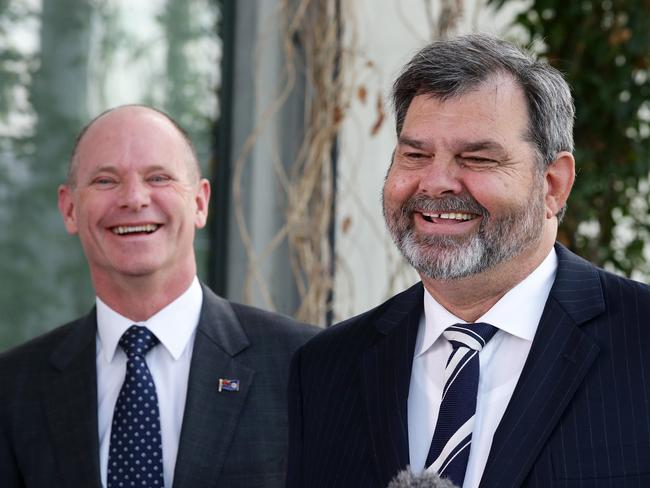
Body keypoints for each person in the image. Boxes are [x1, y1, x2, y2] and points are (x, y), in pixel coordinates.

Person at [287, 34, 650, 488]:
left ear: (553, 185)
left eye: (477, 158)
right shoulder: (324, 368)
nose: (436, 182)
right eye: (415, 154)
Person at [0, 105, 317, 488]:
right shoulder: (14, 388)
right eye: (105, 181)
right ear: (69, 209)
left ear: (199, 203)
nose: (134, 198)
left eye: (158, 177)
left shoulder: (305, 366)